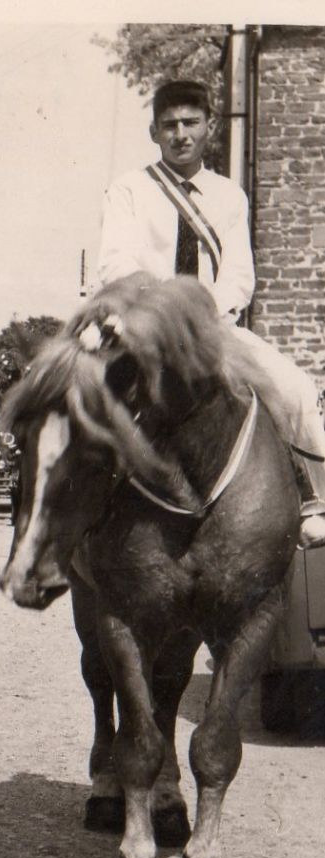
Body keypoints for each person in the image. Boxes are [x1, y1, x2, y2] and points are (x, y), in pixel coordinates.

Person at [96, 78, 325, 546]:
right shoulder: (130, 190)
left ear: (209, 128)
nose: (180, 134)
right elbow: (116, 262)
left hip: (214, 329)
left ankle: (311, 503)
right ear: (154, 132)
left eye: (191, 123)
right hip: (145, 325)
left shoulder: (228, 196)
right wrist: (163, 311)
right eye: (169, 125)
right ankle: (73, 513)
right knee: (81, 392)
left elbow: (239, 276)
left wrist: (203, 318)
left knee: (295, 388)